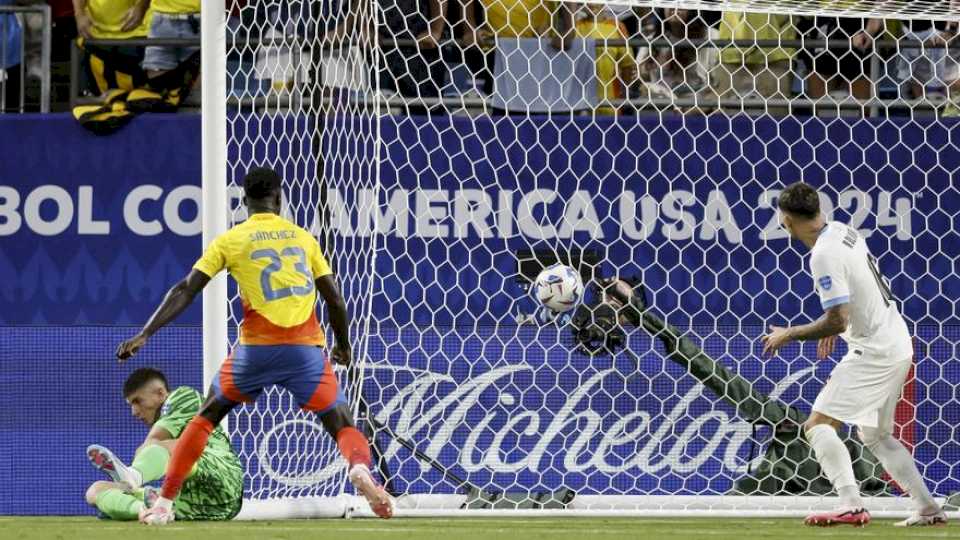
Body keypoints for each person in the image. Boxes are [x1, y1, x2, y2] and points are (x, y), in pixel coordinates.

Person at [116, 167, 392, 525]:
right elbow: (335, 300)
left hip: (255, 351)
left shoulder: (231, 240)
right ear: (279, 199)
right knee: (341, 420)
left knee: (205, 418)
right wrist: (343, 346)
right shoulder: (304, 238)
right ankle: (357, 467)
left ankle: (164, 503)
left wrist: (145, 334)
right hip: (304, 350)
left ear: (244, 202)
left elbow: (186, 289)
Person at [762, 181, 946, 527]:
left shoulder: (822, 255)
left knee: (817, 425)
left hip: (874, 352)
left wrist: (791, 333)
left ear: (786, 220)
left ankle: (850, 504)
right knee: (875, 435)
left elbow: (838, 316)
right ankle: (927, 507)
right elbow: (851, 300)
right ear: (820, 210)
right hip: (896, 342)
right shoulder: (842, 231)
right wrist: (838, 328)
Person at [84, 368, 242, 521]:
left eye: (138, 401)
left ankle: (133, 477)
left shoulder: (183, 396)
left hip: (223, 477)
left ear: (160, 393)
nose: (134, 411)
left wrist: (134, 476)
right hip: (201, 506)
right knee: (95, 490)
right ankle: (146, 510)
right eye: (131, 404)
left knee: (173, 447)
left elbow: (150, 446)